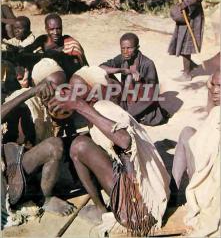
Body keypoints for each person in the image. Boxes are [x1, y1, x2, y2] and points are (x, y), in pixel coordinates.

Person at [47, 88, 170, 236]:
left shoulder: (102, 108)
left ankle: (104, 210)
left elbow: (125, 141)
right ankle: (109, 206)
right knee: (83, 143)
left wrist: (80, 105)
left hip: (142, 209)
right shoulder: (103, 108)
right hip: (152, 193)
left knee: (78, 146)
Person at [1, 79, 75, 220]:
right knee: (54, 145)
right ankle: (45, 199)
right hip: (9, 176)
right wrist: (31, 92)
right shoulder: (17, 109)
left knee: (58, 147)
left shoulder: (40, 113)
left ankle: (43, 194)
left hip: (26, 168)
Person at [171, 70, 220, 236]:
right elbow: (210, 113)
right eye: (214, 85)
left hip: (211, 185)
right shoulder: (216, 112)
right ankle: (175, 190)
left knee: (188, 136)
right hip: (208, 169)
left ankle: (174, 193)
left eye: (220, 86)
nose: (215, 90)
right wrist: (210, 86)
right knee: (187, 132)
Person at [100, 33, 170, 126]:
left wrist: (129, 114)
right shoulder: (122, 58)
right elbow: (101, 67)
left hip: (142, 105)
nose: (125, 51)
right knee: (105, 75)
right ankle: (123, 109)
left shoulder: (147, 64)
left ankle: (130, 114)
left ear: (137, 47)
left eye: (129, 48)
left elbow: (152, 95)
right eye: (123, 48)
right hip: (127, 99)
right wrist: (123, 70)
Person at [168, 0, 205, 81]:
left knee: (186, 42)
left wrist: (186, 4)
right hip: (185, 13)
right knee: (183, 39)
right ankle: (191, 66)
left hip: (192, 14)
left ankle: (187, 74)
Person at [22, 13, 88, 67]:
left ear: (62, 28)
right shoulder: (42, 40)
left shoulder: (71, 45)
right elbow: (26, 51)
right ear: (46, 29)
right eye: (51, 29)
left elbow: (76, 66)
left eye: (58, 29)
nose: (56, 32)